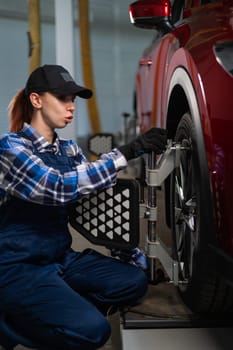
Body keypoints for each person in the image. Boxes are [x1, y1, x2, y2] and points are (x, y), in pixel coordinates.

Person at [0, 64, 167, 350]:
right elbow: (56, 186)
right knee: (94, 331)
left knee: (133, 282)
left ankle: (55, 309)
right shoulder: (11, 148)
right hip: (18, 266)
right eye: (63, 98)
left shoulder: (69, 151)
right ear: (36, 100)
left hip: (60, 258)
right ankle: (10, 325)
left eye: (73, 99)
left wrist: (136, 257)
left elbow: (95, 205)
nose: (71, 106)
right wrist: (125, 153)